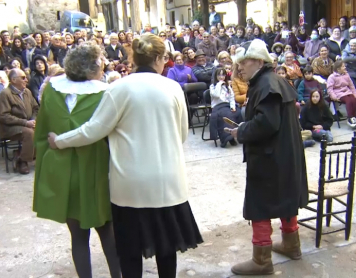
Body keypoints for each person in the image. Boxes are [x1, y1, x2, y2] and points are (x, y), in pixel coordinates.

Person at [47, 33, 203, 277]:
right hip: (168, 181)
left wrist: (60, 141)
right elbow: (182, 134)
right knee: (166, 248)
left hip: (130, 185)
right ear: (160, 58)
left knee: (129, 251)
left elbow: (94, 130)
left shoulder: (118, 88)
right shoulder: (173, 88)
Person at [33, 42, 121, 278]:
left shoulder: (51, 90)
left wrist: (44, 171)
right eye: (100, 61)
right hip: (97, 171)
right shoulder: (105, 92)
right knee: (108, 232)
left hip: (63, 172)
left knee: (78, 238)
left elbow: (42, 133)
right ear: (93, 67)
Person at [228, 39, 308, 276]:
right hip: (284, 154)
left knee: (259, 205)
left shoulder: (265, 84)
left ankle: (261, 259)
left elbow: (267, 123)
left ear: (259, 61)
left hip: (269, 158)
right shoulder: (274, 81)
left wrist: (240, 131)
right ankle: (291, 245)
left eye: (244, 62)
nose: (239, 67)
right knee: (285, 197)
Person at [0, 69, 38, 174]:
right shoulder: (5, 94)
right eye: (23, 77)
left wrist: (34, 120)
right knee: (29, 133)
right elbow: (3, 116)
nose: (26, 80)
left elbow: (36, 108)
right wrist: (25, 122)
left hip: (28, 124)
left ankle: (21, 154)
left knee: (41, 129)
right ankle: (22, 161)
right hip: (10, 127)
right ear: (13, 80)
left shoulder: (27, 92)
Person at [209, 67, 242, 147]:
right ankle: (226, 138)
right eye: (219, 75)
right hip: (217, 107)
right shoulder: (213, 86)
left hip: (227, 105)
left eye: (223, 75)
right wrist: (219, 84)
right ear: (216, 76)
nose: (221, 77)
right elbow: (216, 95)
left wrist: (232, 106)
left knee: (236, 112)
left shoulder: (228, 86)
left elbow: (231, 97)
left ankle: (234, 135)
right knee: (224, 115)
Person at [327, 60, 356, 129]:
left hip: (347, 91)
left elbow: (351, 85)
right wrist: (334, 97)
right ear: (338, 69)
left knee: (353, 100)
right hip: (338, 93)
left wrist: (354, 93)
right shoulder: (332, 77)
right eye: (343, 66)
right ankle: (350, 118)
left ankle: (353, 117)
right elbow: (330, 89)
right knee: (349, 101)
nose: (345, 67)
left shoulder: (346, 75)